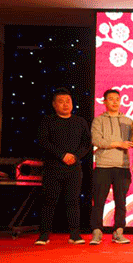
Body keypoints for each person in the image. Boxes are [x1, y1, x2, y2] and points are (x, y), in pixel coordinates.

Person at [35, 88, 92, 245]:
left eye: (68, 101)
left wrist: (76, 156)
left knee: (73, 201)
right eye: (61, 101)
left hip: (74, 168)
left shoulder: (80, 121)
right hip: (52, 167)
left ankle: (75, 234)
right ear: (54, 104)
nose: (65, 104)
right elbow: (43, 141)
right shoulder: (47, 121)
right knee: (49, 201)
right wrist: (61, 155)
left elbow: (86, 143)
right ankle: (44, 235)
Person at [90, 89, 133, 245]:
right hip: (103, 166)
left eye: (117, 99)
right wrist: (118, 144)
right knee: (99, 201)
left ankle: (119, 232)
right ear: (104, 102)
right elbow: (96, 141)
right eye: (111, 99)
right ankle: (97, 232)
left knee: (121, 202)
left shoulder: (128, 121)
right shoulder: (98, 121)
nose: (115, 102)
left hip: (122, 166)